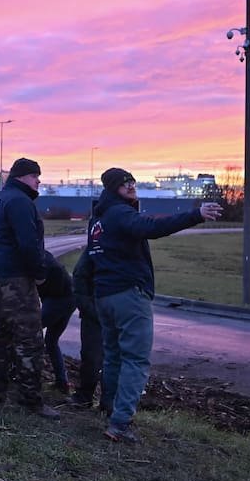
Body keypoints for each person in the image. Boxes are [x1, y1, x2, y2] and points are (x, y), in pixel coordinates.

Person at [89, 167, 222, 442]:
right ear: (113, 188)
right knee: (135, 359)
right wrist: (196, 215)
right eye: (125, 183)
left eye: (133, 182)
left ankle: (110, 409)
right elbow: (152, 227)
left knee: (113, 355)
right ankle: (120, 424)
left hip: (104, 295)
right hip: (128, 294)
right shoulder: (120, 213)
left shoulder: (98, 219)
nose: (131, 186)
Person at [0, 158, 60, 419]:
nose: (39, 181)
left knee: (3, 336)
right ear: (22, 177)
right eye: (35, 176)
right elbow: (28, 243)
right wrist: (39, 274)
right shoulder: (19, 201)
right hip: (15, 278)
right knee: (30, 340)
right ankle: (31, 400)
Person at [67, 242, 104, 409]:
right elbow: (79, 275)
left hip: (115, 311)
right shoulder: (97, 246)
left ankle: (108, 403)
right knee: (91, 357)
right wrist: (87, 307)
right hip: (95, 312)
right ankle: (84, 396)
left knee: (113, 359)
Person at [38, 250, 75, 393]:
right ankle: (62, 382)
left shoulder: (37, 258)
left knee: (29, 332)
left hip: (59, 299)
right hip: (69, 296)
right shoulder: (44, 255)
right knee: (51, 341)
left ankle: (28, 376)